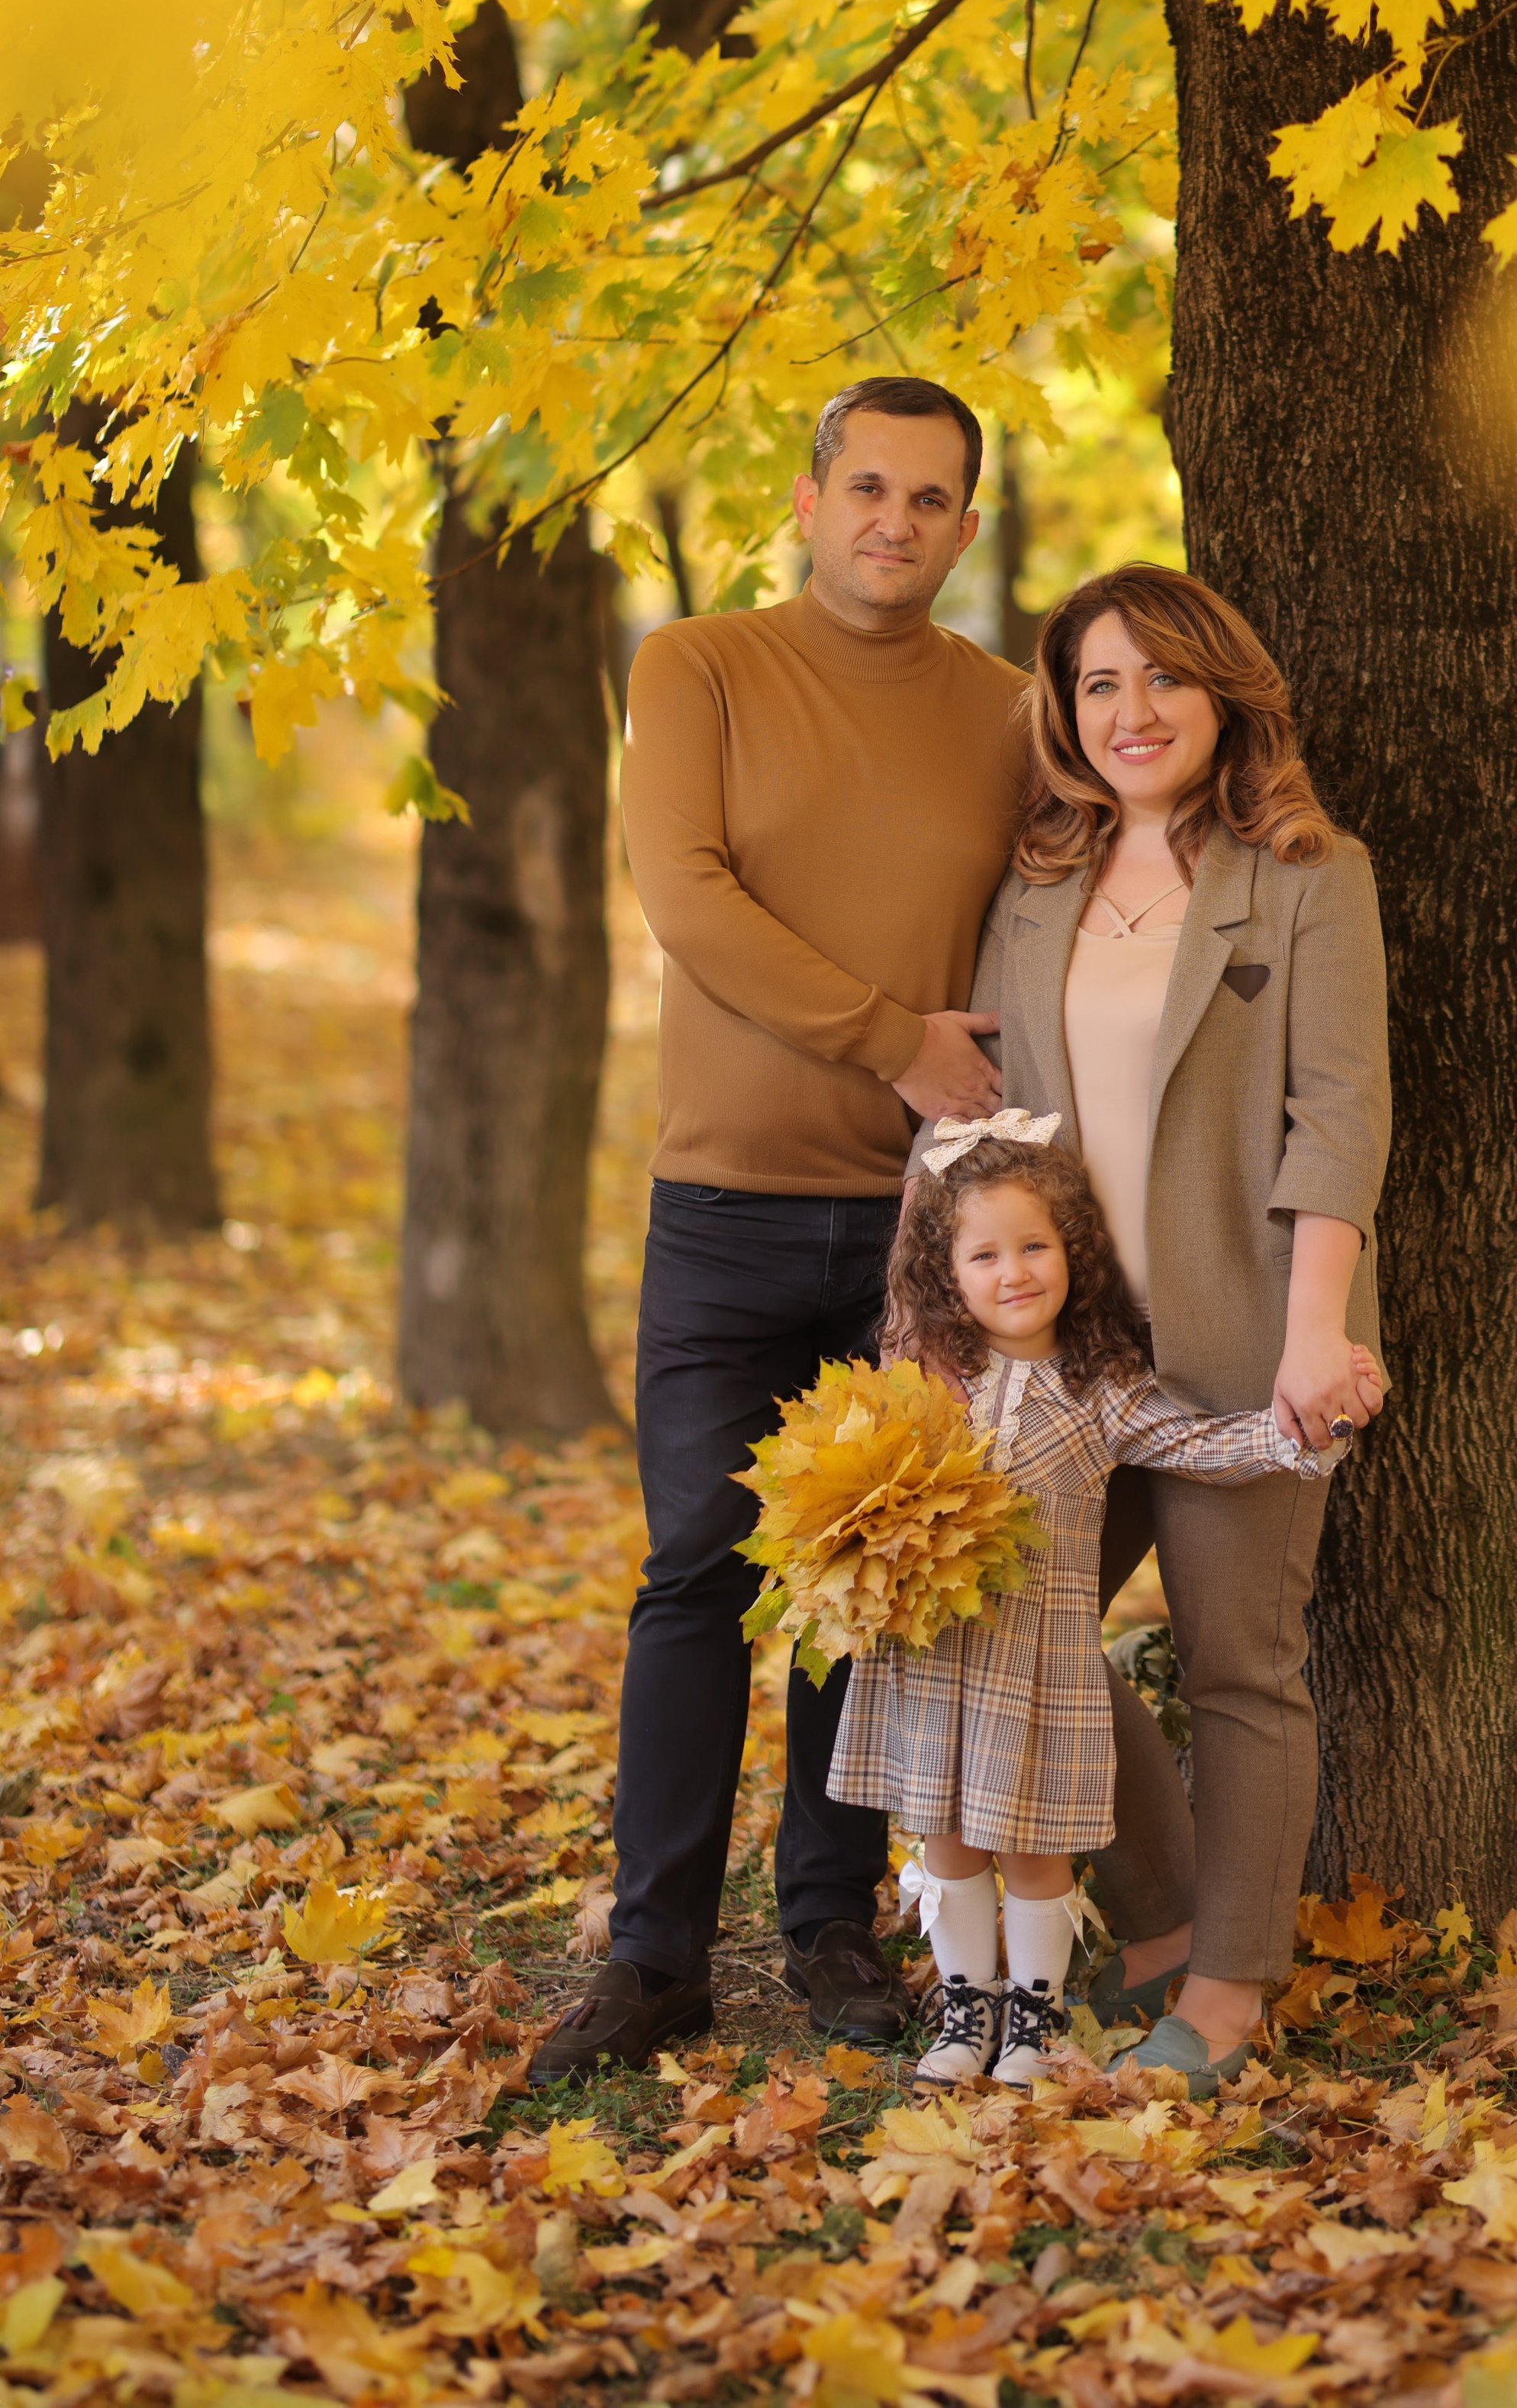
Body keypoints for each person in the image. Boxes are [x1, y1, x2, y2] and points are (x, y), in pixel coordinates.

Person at [531, 374, 1027, 2081]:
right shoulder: (698, 666)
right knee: (694, 1568)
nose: (895, 519)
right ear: (807, 500)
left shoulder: (1011, 709)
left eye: (929, 496)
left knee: (865, 1582)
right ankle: (655, 1946)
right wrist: (894, 1036)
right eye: (866, 485)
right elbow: (687, 902)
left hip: (920, 1228)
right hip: (727, 1209)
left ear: (965, 526)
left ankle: (827, 1922)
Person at [913, 562, 1390, 2094]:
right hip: (1070, 1352)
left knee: (1238, 1659)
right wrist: (947, 1336)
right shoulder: (1034, 883)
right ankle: (1164, 1913)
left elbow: (1339, 1116)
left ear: (1220, 695)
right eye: (1098, 683)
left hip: (1257, 1333)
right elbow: (991, 1136)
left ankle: (1233, 1991)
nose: (1131, 711)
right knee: (1005, 1609)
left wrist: (1314, 1330)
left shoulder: (1310, 871)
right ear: (1063, 710)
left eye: (1161, 679)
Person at [833, 1118, 1375, 2091]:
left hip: (1038, 1668)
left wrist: (1304, 1431)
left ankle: (1029, 2028)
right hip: (934, 1661)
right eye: (984, 1254)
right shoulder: (922, 1387)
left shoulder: (1102, 1390)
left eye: (1035, 1246)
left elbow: (1204, 1447)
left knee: (1035, 1854)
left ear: (1074, 1254)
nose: (1014, 1272)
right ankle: (967, 2015)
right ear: (945, 1272)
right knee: (949, 1846)